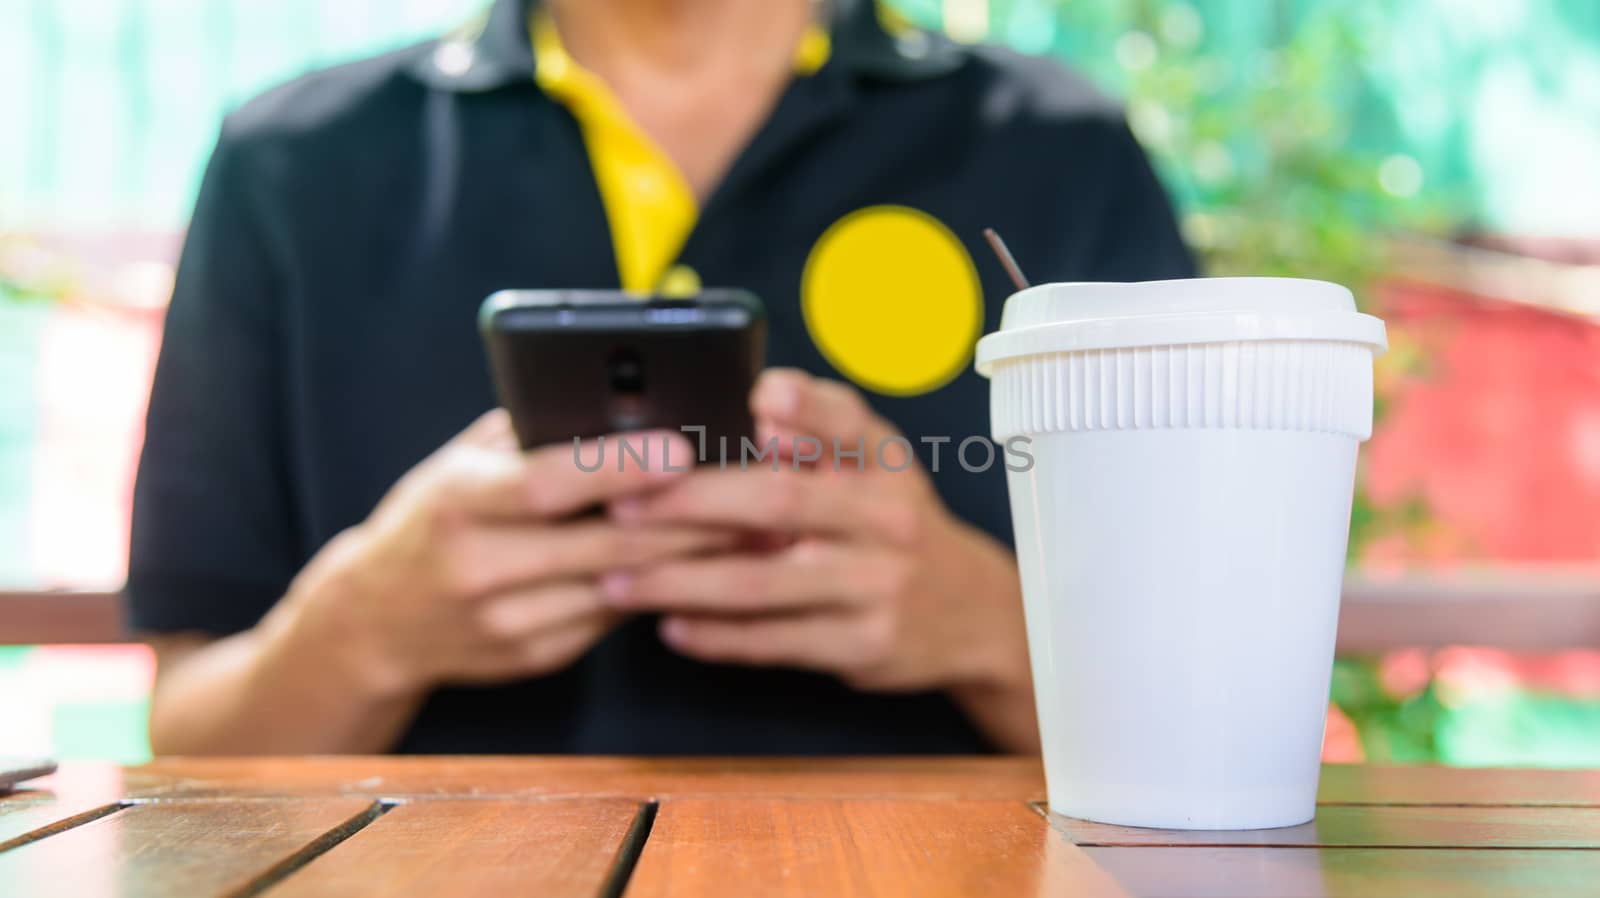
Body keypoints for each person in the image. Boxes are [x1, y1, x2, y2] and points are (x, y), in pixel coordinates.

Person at [129, 0, 1194, 756]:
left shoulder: (1063, 154)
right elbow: (188, 734)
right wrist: (362, 630)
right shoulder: (294, 163)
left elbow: (1200, 705)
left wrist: (990, 632)